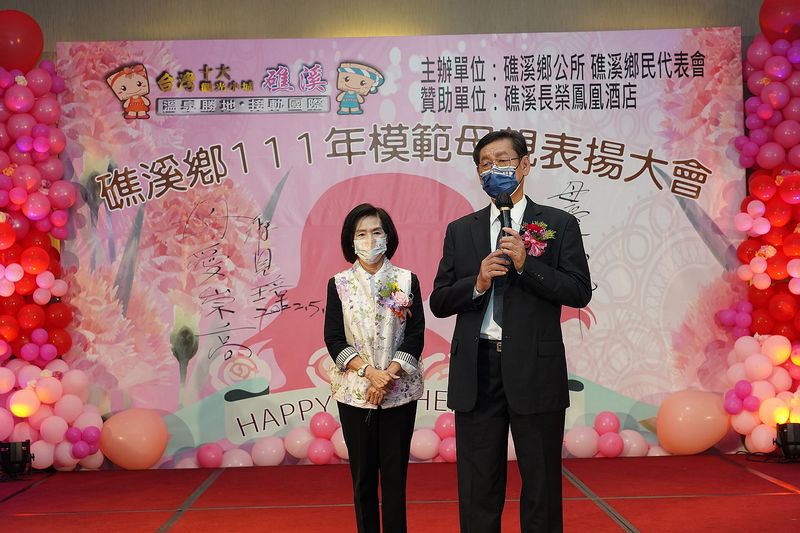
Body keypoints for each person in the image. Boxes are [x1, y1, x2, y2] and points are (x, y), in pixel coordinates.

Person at [430, 129, 592, 533]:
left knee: (541, 481)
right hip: (477, 369)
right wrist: (477, 283)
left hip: (535, 368)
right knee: (478, 484)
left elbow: (578, 291)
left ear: (524, 165)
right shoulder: (461, 230)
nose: (494, 170)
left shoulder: (557, 224)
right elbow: (439, 300)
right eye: (485, 164)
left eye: (502, 161)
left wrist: (526, 264)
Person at [324, 203, 425, 533]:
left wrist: (388, 376)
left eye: (376, 232)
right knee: (363, 479)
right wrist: (370, 374)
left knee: (395, 480)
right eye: (361, 234)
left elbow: (415, 335)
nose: (370, 240)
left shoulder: (406, 280)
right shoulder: (339, 283)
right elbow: (334, 338)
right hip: (356, 394)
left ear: (388, 236)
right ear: (350, 241)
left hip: (399, 392)